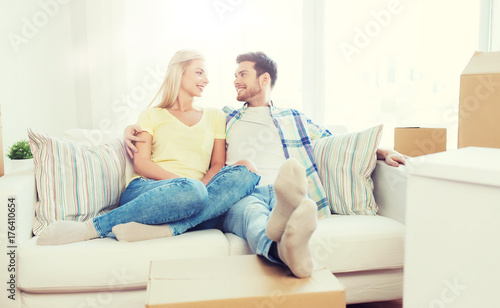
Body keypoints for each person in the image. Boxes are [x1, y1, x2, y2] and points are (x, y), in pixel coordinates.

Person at [122, 51, 408, 278]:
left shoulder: (293, 117)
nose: (235, 80)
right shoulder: (226, 116)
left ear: (264, 79)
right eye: (234, 75)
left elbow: (333, 141)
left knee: (291, 199)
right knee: (252, 216)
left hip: (286, 188)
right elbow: (175, 122)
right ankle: (280, 248)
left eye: (242, 74)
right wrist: (129, 129)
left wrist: (380, 151)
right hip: (243, 192)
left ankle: (287, 222)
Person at [36, 50, 261, 246]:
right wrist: (185, 185)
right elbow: (142, 163)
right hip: (150, 190)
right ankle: (91, 229)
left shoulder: (215, 116)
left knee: (248, 169)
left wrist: (197, 188)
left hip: (197, 195)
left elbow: (217, 165)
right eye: (199, 72)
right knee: (197, 196)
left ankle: (167, 229)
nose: (206, 79)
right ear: (179, 73)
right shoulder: (151, 114)